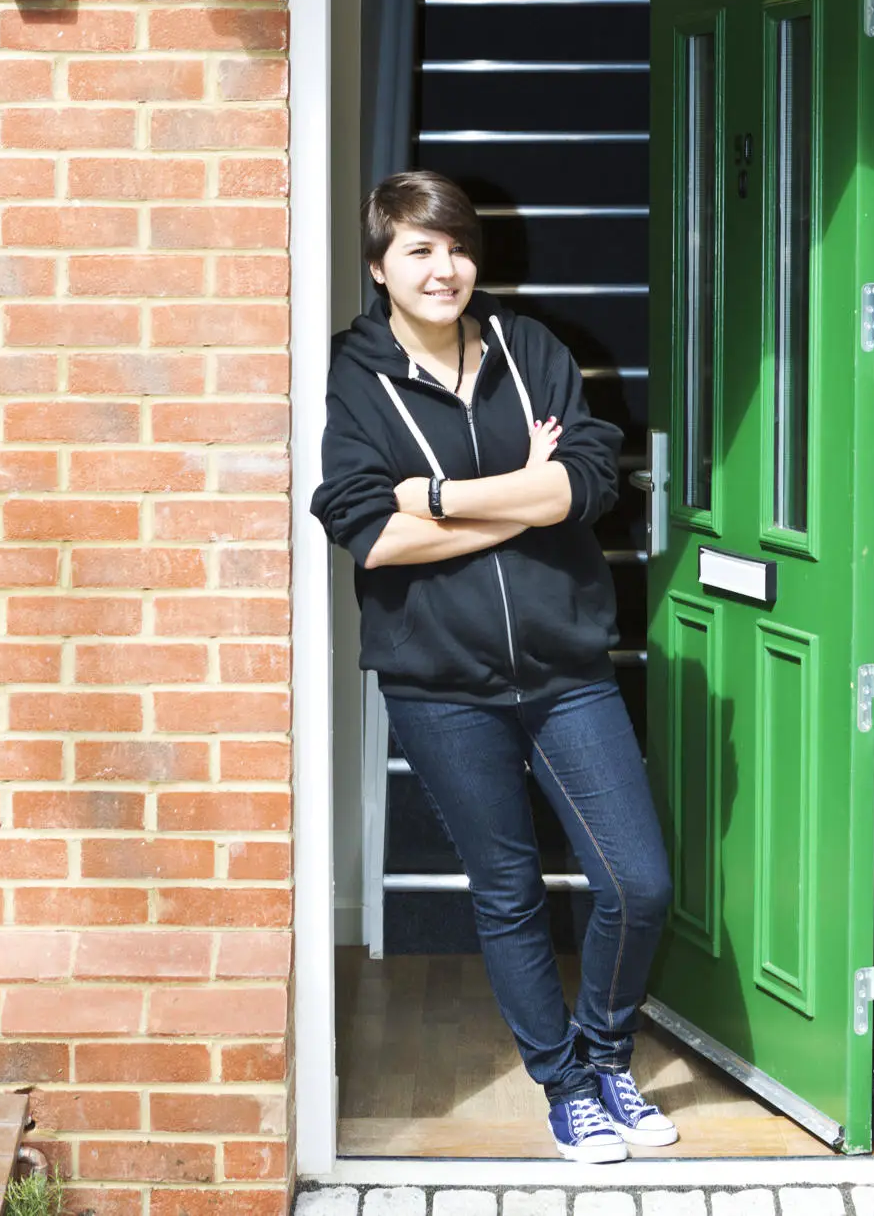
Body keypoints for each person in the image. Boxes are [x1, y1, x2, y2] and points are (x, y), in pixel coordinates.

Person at [311, 169, 676, 1163]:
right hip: (440, 681)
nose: (445, 267)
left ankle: (607, 1055)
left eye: (457, 245)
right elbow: (366, 533)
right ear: (381, 267)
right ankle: (563, 1084)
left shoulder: (531, 348)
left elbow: (587, 481)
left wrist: (430, 493)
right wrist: (521, 491)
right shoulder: (356, 371)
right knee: (507, 886)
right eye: (419, 250)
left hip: (564, 665)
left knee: (636, 880)